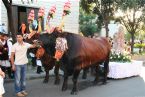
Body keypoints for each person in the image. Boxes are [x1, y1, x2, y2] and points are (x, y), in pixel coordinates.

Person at [11, 32, 36, 97]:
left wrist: (35, 42)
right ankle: (18, 91)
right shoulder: (14, 46)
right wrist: (13, 65)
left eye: (19, 37)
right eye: (17, 37)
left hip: (24, 64)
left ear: (22, 37)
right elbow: (11, 56)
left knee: (23, 79)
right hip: (17, 65)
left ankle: (23, 90)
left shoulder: (26, 44)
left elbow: (33, 46)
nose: (18, 38)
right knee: (17, 79)